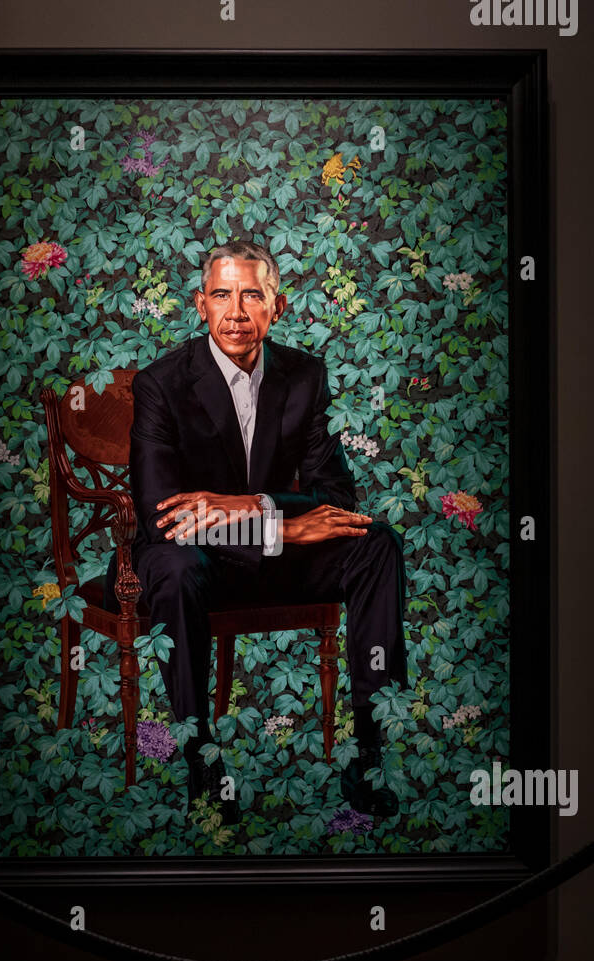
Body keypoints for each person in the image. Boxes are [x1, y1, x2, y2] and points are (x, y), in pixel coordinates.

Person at [124, 240, 409, 824]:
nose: (236, 312)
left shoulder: (305, 375)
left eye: (252, 295)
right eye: (222, 295)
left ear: (276, 308)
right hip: (190, 560)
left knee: (374, 542)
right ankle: (201, 758)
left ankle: (369, 752)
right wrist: (282, 530)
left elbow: (335, 497)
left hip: (273, 561)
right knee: (175, 569)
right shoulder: (161, 383)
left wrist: (250, 504)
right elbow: (165, 515)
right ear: (200, 304)